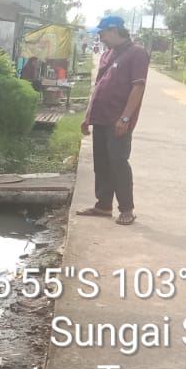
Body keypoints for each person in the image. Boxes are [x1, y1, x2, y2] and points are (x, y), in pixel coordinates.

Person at [77, 15, 149, 226]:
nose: (100, 38)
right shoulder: (107, 55)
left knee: (118, 162)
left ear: (115, 30)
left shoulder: (137, 54)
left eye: (102, 33)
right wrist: (87, 115)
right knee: (101, 163)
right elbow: (98, 86)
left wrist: (125, 117)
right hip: (100, 117)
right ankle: (103, 205)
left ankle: (126, 209)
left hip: (118, 120)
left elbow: (138, 87)